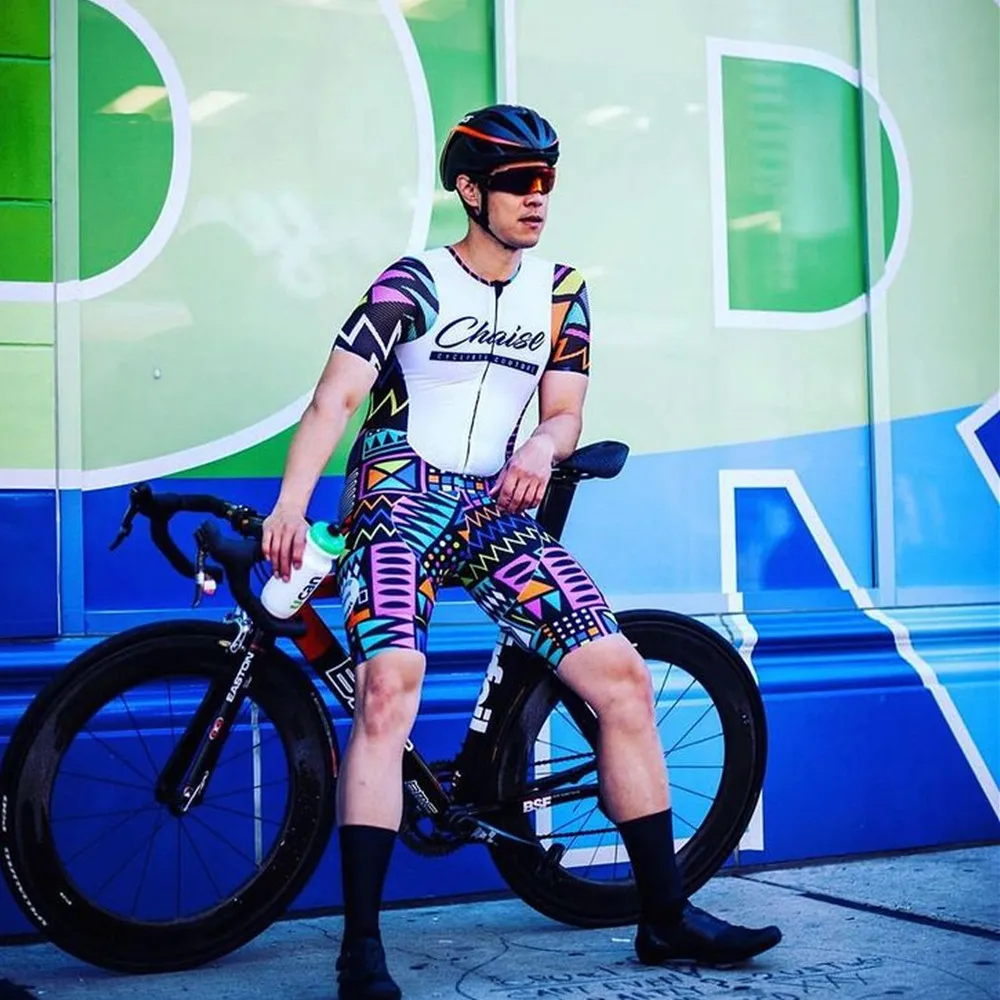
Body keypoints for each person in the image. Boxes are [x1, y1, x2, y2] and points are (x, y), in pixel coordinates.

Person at [262, 104, 781, 1000]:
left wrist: (544, 444)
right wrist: (289, 507)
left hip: (495, 502)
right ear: (470, 191)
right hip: (398, 493)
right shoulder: (410, 282)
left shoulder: (560, 290)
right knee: (389, 685)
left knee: (622, 678)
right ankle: (361, 950)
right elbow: (333, 401)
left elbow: (566, 408)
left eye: (548, 180)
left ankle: (664, 914)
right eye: (518, 182)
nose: (538, 197)